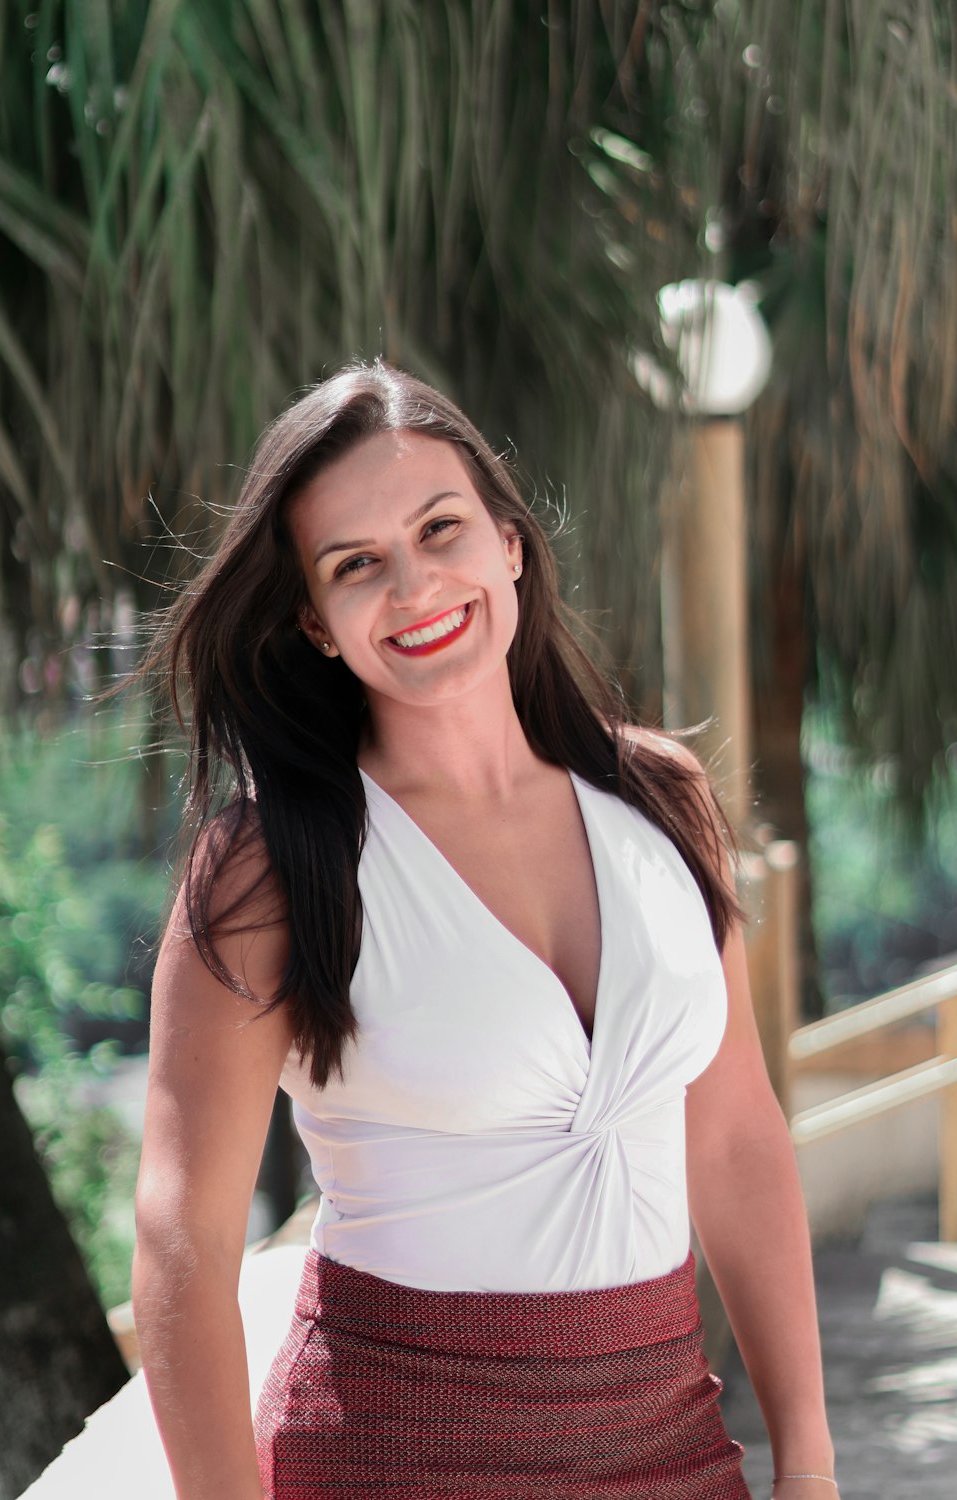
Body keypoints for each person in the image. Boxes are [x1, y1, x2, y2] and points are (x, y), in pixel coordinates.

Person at [131, 360, 839, 1500]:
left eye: (439, 529)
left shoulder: (662, 799)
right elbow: (182, 1241)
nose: (413, 586)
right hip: (390, 1459)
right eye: (357, 565)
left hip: (672, 1447)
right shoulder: (273, 868)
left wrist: (806, 1462)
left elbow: (735, 1137)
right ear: (315, 622)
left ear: (510, 543)